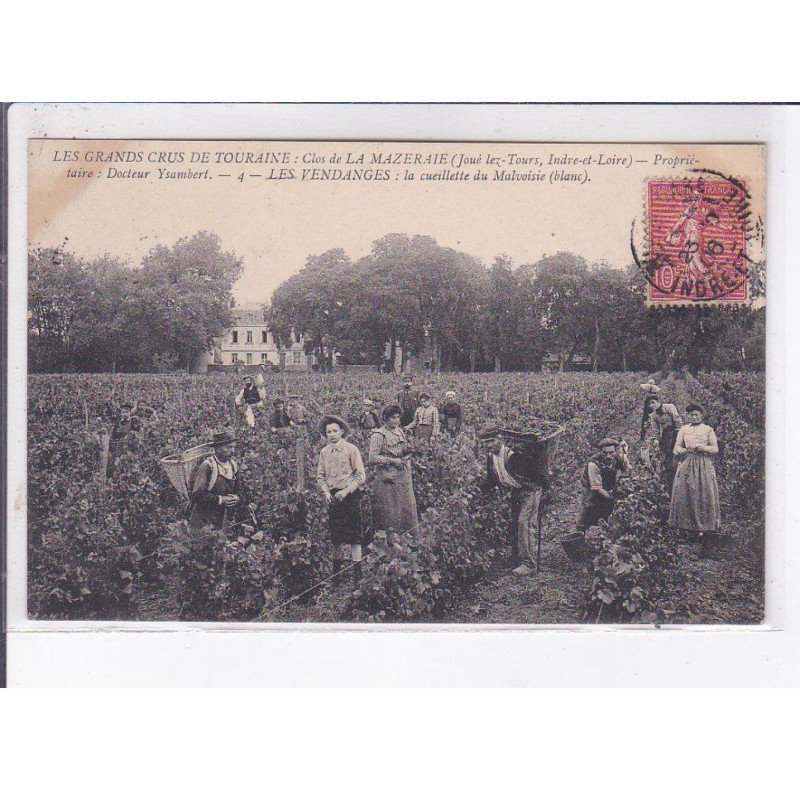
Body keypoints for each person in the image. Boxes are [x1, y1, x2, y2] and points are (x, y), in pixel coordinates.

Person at [480, 426, 550, 576]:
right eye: (485, 443)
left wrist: (545, 489)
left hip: (530, 489)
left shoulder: (513, 456)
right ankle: (517, 559)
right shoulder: (491, 458)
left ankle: (529, 564)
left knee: (524, 523)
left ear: (500, 439)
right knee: (514, 524)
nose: (488, 446)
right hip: (516, 491)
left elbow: (536, 473)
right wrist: (478, 492)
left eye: (491, 441)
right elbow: (491, 480)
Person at [316, 415, 367, 584]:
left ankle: (357, 575)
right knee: (336, 537)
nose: (331, 434)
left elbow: (361, 476)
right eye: (328, 432)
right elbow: (320, 477)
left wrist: (345, 491)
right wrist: (326, 493)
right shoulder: (324, 452)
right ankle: (336, 575)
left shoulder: (351, 449)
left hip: (350, 496)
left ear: (342, 432)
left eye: (335, 431)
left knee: (355, 536)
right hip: (333, 498)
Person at [563, 438, 630, 561]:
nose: (608, 456)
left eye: (611, 452)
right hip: (592, 490)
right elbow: (597, 488)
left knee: (615, 516)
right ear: (600, 452)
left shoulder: (621, 458)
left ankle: (611, 548)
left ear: (616, 451)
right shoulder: (593, 464)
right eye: (605, 453)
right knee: (584, 517)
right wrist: (613, 498)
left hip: (609, 487)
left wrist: (622, 489)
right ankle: (576, 552)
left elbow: (628, 473)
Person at [669, 404, 721, 556]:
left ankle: (704, 527)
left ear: (701, 416)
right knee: (684, 491)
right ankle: (687, 526)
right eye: (691, 415)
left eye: (696, 414)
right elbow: (676, 448)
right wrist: (685, 450)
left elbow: (715, 448)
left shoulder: (708, 430)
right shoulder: (684, 429)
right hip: (688, 462)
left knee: (704, 492)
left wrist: (703, 448)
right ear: (688, 416)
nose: (694, 417)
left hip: (703, 464)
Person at [369, 404, 419, 539]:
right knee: (390, 508)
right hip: (388, 477)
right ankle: (390, 539)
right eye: (393, 417)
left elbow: (402, 449)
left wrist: (408, 450)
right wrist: (391, 460)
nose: (396, 420)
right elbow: (372, 458)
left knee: (405, 506)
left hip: (402, 476)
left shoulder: (399, 431)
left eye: (398, 417)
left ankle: (407, 537)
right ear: (385, 418)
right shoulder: (378, 435)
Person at [189, 430, 242, 532]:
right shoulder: (208, 466)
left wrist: (238, 499)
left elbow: (240, 491)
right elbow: (197, 496)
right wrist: (221, 499)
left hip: (223, 521)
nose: (232, 451)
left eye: (233, 447)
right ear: (218, 449)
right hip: (203, 522)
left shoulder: (233, 466)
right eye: (228, 447)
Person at [640, 392, 682, 487]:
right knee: (665, 456)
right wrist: (656, 439)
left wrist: (679, 434)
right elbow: (656, 430)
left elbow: (677, 420)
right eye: (649, 404)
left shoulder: (669, 407)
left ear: (658, 402)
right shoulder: (653, 415)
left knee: (676, 453)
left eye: (653, 402)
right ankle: (668, 479)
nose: (651, 405)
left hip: (675, 432)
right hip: (666, 435)